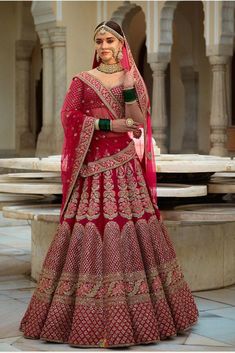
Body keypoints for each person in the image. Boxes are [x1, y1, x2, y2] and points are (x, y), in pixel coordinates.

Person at [20, 20, 198, 348]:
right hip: (92, 174)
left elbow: (137, 124)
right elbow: (69, 117)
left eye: (110, 41)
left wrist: (129, 88)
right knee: (89, 237)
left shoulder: (133, 80)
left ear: (121, 46)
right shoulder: (83, 81)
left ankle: (141, 319)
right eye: (99, 40)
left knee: (133, 237)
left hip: (125, 173)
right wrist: (107, 123)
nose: (104, 46)